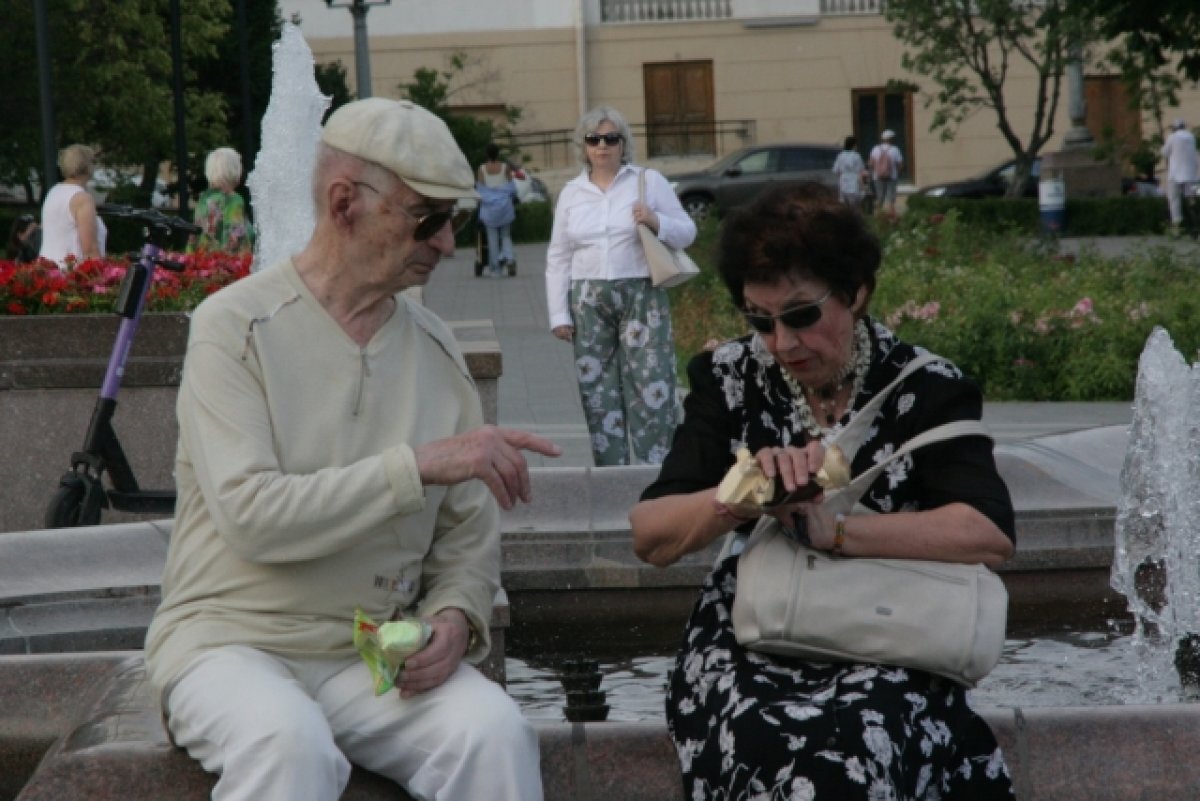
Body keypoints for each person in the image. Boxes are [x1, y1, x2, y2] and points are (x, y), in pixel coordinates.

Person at [144, 97, 562, 801]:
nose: (447, 243)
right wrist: (416, 465)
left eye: (453, 221)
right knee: (287, 742)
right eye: (428, 219)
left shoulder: (436, 349)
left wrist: (457, 616)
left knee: (493, 730)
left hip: (370, 656)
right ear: (345, 203)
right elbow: (252, 515)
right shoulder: (232, 328)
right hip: (229, 642)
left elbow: (467, 534)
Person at [630, 183, 1016, 800]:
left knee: (862, 732)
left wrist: (833, 530)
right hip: (752, 639)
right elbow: (649, 535)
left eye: (802, 315)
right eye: (760, 320)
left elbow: (987, 533)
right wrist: (745, 491)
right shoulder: (730, 378)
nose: (782, 343)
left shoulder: (927, 386)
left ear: (857, 292)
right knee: (760, 730)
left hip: (889, 633)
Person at [545, 104, 697, 467]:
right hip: (588, 300)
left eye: (611, 138)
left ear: (623, 143)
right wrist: (558, 314)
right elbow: (558, 256)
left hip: (641, 294)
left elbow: (687, 231)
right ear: (583, 146)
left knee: (651, 384)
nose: (602, 145)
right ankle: (611, 477)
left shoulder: (647, 181)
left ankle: (654, 475)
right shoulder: (571, 192)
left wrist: (656, 220)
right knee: (597, 390)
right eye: (594, 139)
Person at [38, 143, 106, 266]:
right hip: (72, 274)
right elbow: (90, 249)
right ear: (87, 166)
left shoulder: (54, 192)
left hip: (47, 269)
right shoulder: (82, 199)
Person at [189, 147, 253, 254]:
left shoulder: (204, 198)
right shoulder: (234, 200)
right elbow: (234, 238)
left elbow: (195, 236)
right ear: (234, 170)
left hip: (202, 262)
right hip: (225, 266)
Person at [476, 142, 517, 277]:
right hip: (505, 208)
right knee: (506, 236)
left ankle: (495, 268)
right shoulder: (505, 167)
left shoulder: (482, 169)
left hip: (489, 210)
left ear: (487, 154)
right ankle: (509, 259)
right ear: (498, 153)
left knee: (492, 239)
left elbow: (480, 191)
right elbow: (512, 187)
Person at [1161, 118, 1198, 230]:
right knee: (1191, 200)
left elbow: (1164, 152)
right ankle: (1195, 223)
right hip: (1191, 175)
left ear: (1174, 128)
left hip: (1175, 175)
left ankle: (1177, 224)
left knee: (1174, 199)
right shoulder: (1191, 137)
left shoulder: (1172, 137)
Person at [868, 129, 904, 216]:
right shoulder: (895, 149)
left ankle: (878, 216)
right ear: (891, 139)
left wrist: (875, 172)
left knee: (880, 198)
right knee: (890, 199)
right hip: (891, 177)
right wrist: (898, 173)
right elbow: (900, 164)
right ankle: (891, 217)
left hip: (878, 177)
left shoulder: (875, 149)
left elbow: (871, 164)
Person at [831, 135, 866, 208]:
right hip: (854, 182)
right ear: (853, 145)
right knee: (854, 206)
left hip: (843, 182)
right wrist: (863, 187)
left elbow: (835, 170)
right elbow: (860, 172)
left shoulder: (840, 155)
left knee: (844, 206)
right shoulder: (856, 156)